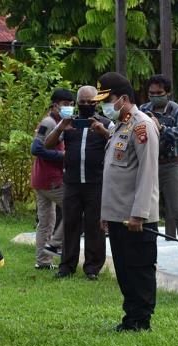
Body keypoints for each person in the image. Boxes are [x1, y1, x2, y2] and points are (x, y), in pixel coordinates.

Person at [94, 72, 159, 332]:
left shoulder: (142, 126)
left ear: (123, 98)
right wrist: (105, 213)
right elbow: (114, 173)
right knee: (123, 268)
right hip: (117, 214)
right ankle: (130, 316)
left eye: (107, 100)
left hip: (135, 217)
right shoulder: (120, 126)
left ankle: (141, 320)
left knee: (139, 269)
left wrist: (140, 214)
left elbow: (147, 173)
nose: (103, 107)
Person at [45, 86, 112, 280]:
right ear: (76, 103)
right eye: (81, 102)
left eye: (90, 103)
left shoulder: (106, 123)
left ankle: (92, 268)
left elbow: (118, 144)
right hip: (72, 183)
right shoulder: (69, 123)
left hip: (96, 183)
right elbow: (47, 144)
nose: (86, 106)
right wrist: (60, 127)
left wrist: (101, 131)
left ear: (96, 103)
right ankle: (66, 266)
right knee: (70, 224)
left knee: (95, 227)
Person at [139, 74, 178, 272]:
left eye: (159, 93)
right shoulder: (142, 110)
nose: (155, 97)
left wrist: (160, 127)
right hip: (149, 164)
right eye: (151, 93)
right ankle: (147, 257)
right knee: (145, 211)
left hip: (172, 165)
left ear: (168, 93)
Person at [29, 88, 73, 270]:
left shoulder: (59, 121)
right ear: (55, 105)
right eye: (65, 105)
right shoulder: (49, 122)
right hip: (51, 180)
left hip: (41, 179)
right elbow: (36, 149)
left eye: (71, 105)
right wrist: (62, 156)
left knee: (45, 222)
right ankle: (55, 244)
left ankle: (43, 261)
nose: (69, 108)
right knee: (74, 209)